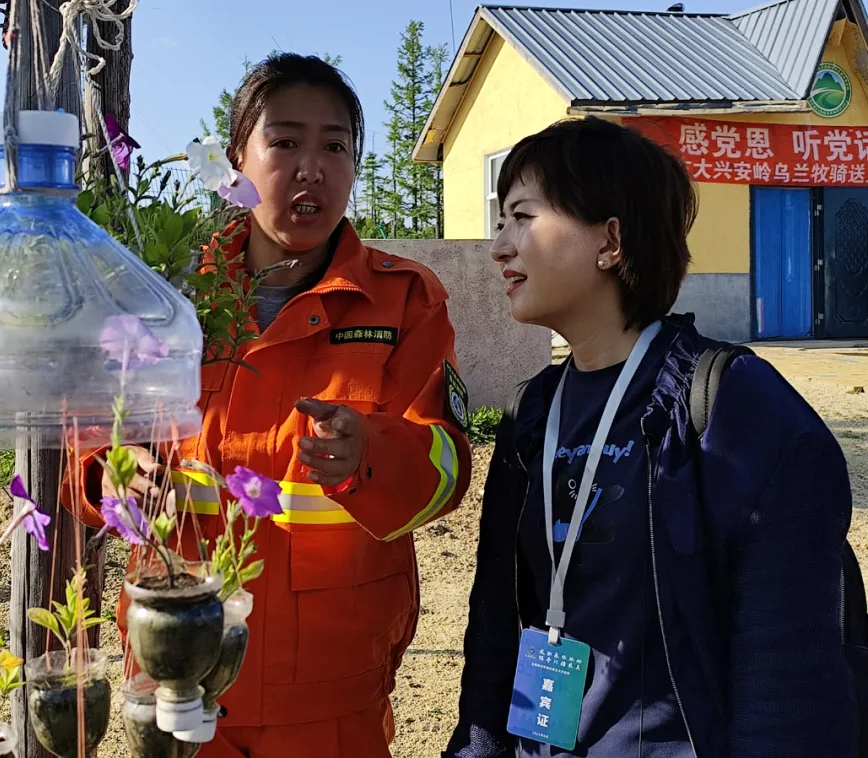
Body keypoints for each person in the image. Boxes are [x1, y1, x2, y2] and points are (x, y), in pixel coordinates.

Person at [64, 52, 473, 758]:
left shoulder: (405, 299)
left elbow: (446, 466)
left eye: (335, 146)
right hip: (175, 660)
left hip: (331, 689)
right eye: (285, 142)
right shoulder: (166, 291)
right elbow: (87, 434)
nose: (312, 167)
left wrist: (370, 452)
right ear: (237, 160)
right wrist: (112, 470)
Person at [445, 116, 857, 758]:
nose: (499, 247)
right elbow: (498, 626)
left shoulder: (736, 406)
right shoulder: (534, 413)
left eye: (521, 217)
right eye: (500, 222)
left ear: (610, 240)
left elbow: (791, 674)